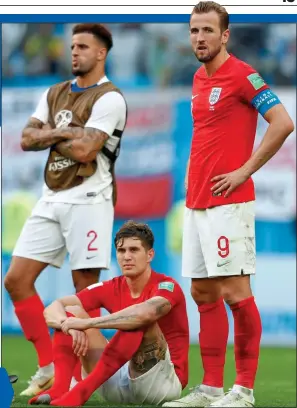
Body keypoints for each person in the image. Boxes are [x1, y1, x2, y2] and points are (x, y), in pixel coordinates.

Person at [163, 2, 294, 408]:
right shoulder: (199, 78)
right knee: (203, 293)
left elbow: (283, 122)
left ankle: (245, 391)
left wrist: (244, 170)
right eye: (193, 30)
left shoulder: (242, 74)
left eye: (207, 30)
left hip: (229, 202)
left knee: (237, 293)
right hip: (197, 202)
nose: (198, 38)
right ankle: (211, 389)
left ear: (225, 35)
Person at [4, 23, 127, 396]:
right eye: (72, 46)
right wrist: (68, 132)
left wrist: (51, 136)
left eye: (83, 47)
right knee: (16, 280)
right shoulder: (54, 92)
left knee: (84, 292)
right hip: (51, 196)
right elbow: (26, 139)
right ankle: (48, 367)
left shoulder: (110, 98)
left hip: (89, 199)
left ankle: (76, 381)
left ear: (101, 53)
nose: (74, 52)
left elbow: (88, 151)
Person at [28, 221, 189, 407]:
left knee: (138, 320)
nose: (127, 257)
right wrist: (69, 325)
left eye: (134, 250)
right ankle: (61, 388)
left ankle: (81, 391)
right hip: (115, 380)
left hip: (160, 384)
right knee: (72, 311)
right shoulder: (112, 286)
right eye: (121, 251)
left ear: (149, 255)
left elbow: (146, 313)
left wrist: (87, 324)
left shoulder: (167, 286)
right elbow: (54, 308)